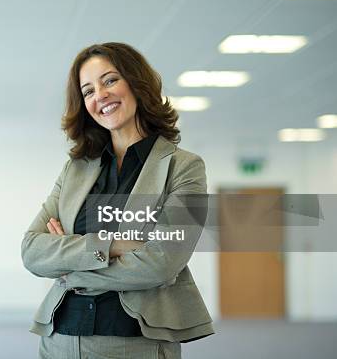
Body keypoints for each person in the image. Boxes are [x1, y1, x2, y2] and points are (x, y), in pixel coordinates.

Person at [21, 43, 213, 359]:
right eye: (88, 91)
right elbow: (31, 251)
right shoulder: (75, 169)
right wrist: (110, 245)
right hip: (58, 340)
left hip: (133, 342)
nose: (100, 95)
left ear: (136, 84)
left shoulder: (184, 167)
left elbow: (161, 263)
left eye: (110, 80)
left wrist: (70, 267)